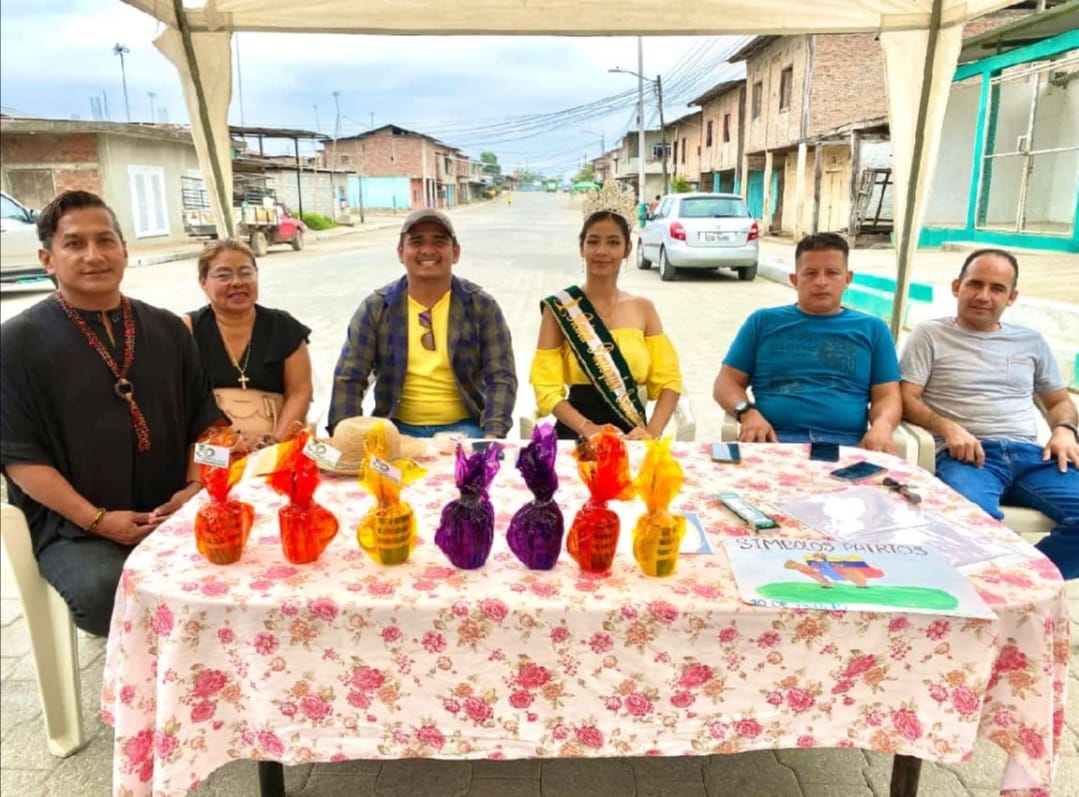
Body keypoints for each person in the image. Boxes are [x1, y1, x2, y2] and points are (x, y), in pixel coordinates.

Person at [0, 190, 225, 636]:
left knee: (239, 561)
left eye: (105, 240)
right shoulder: (16, 343)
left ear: (124, 249)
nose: (94, 255)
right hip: (74, 527)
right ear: (47, 259)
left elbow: (211, 427)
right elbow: (20, 460)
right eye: (74, 243)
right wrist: (97, 520)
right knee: (108, 590)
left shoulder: (168, 329)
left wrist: (196, 486)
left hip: (172, 509)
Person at [900, 249, 1078, 578]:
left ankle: (1021, 581)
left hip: (1032, 456)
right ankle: (998, 582)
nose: (984, 296)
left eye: (997, 288)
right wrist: (948, 427)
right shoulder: (930, 335)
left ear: (1012, 297)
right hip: (968, 457)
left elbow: (1058, 403)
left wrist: (1065, 430)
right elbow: (906, 397)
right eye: (975, 284)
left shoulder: (1031, 341)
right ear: (957, 287)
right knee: (972, 527)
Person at [329, 207, 516, 438]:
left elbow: (501, 377)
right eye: (417, 241)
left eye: (439, 241)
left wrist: (492, 436)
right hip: (395, 429)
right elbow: (349, 377)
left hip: (467, 428)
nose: (427, 250)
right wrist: (346, 437)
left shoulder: (482, 307)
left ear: (455, 252)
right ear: (401, 252)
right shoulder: (376, 308)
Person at [713, 232, 901, 450]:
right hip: (771, 440)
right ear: (794, 280)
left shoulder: (873, 330)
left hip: (849, 444)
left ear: (848, 279)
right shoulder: (763, 322)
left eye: (832, 273)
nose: (821, 282)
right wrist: (747, 413)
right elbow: (726, 383)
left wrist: (883, 425)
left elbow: (888, 396)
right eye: (811, 273)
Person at [530, 186, 682, 440]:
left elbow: (669, 381)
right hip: (576, 434)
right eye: (593, 241)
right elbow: (546, 388)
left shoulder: (644, 309)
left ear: (627, 249)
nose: (602, 251)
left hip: (633, 434)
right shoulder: (560, 309)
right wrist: (587, 428)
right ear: (582, 248)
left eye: (613, 242)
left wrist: (651, 433)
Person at [182, 239, 313, 450]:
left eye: (245, 273)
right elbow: (181, 398)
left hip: (275, 445)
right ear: (203, 282)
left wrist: (274, 444)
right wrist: (229, 442)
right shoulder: (188, 329)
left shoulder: (283, 327)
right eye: (223, 275)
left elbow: (300, 392)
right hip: (212, 447)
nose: (237, 282)